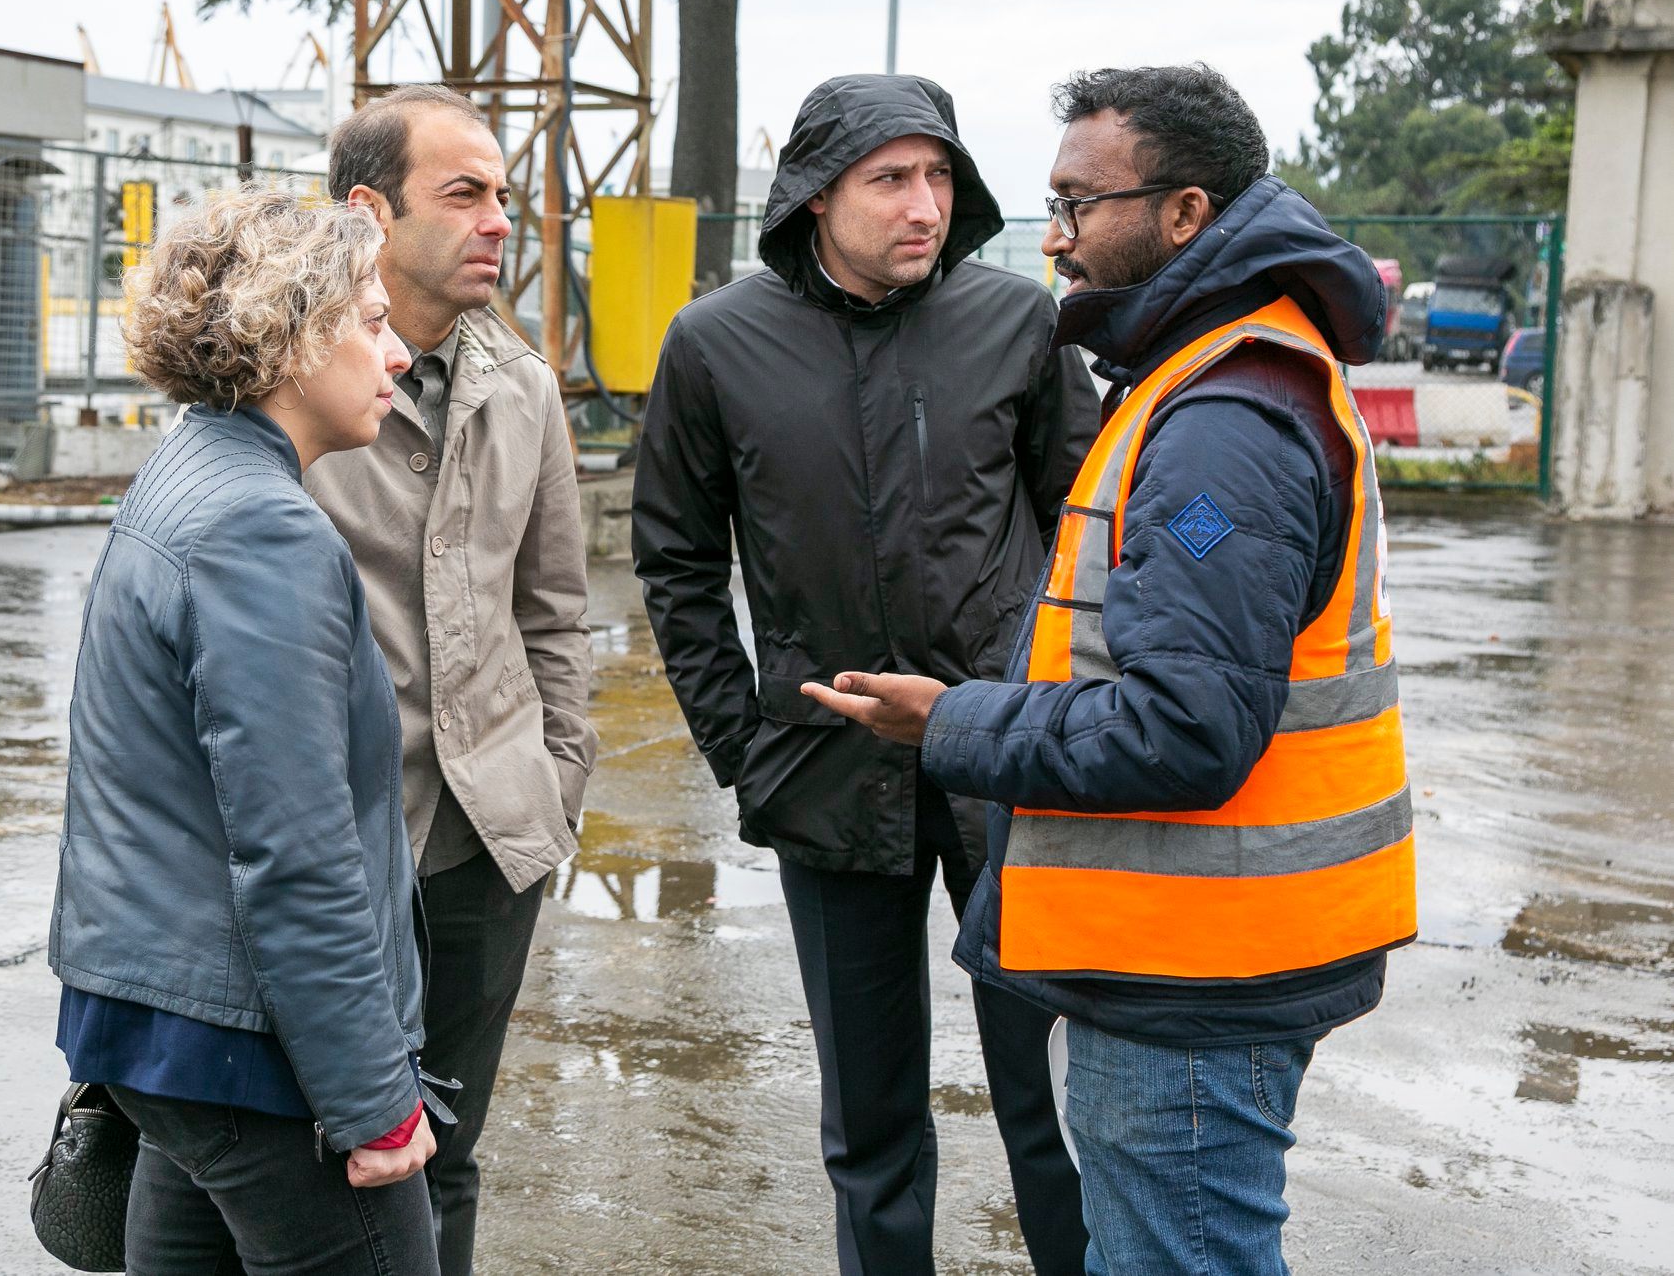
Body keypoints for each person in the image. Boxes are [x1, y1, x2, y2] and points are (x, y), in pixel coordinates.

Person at [803, 64, 1417, 1276]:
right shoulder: (1209, 374)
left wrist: (955, 723)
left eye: (1080, 205)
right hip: (1207, 950)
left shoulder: (1223, 423)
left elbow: (1184, 729)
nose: (1056, 236)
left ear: (1183, 214)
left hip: (1199, 971)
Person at [632, 73, 1098, 1275]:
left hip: (1007, 765)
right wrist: (747, 747)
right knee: (872, 1123)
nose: (924, 206)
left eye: (939, 176)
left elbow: (1090, 529)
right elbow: (677, 563)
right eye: (891, 179)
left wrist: (1061, 718)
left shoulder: (1020, 322)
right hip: (828, 775)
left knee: (1057, 1105)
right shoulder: (714, 344)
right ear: (814, 196)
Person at [48, 186, 441, 1274]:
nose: (397, 353)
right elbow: (295, 848)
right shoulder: (260, 527)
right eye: (371, 320)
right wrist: (374, 1101)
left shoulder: (189, 471)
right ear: (291, 337)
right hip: (250, 1048)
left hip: (170, 1032)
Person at [304, 84, 598, 1276]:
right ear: (369, 211)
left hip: (484, 841)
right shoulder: (288, 377)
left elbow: (555, 610)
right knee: (313, 1148)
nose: (499, 221)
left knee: (448, 1149)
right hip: (332, 841)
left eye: (504, 196)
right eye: (465, 193)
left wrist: (556, 779)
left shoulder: (522, 385)